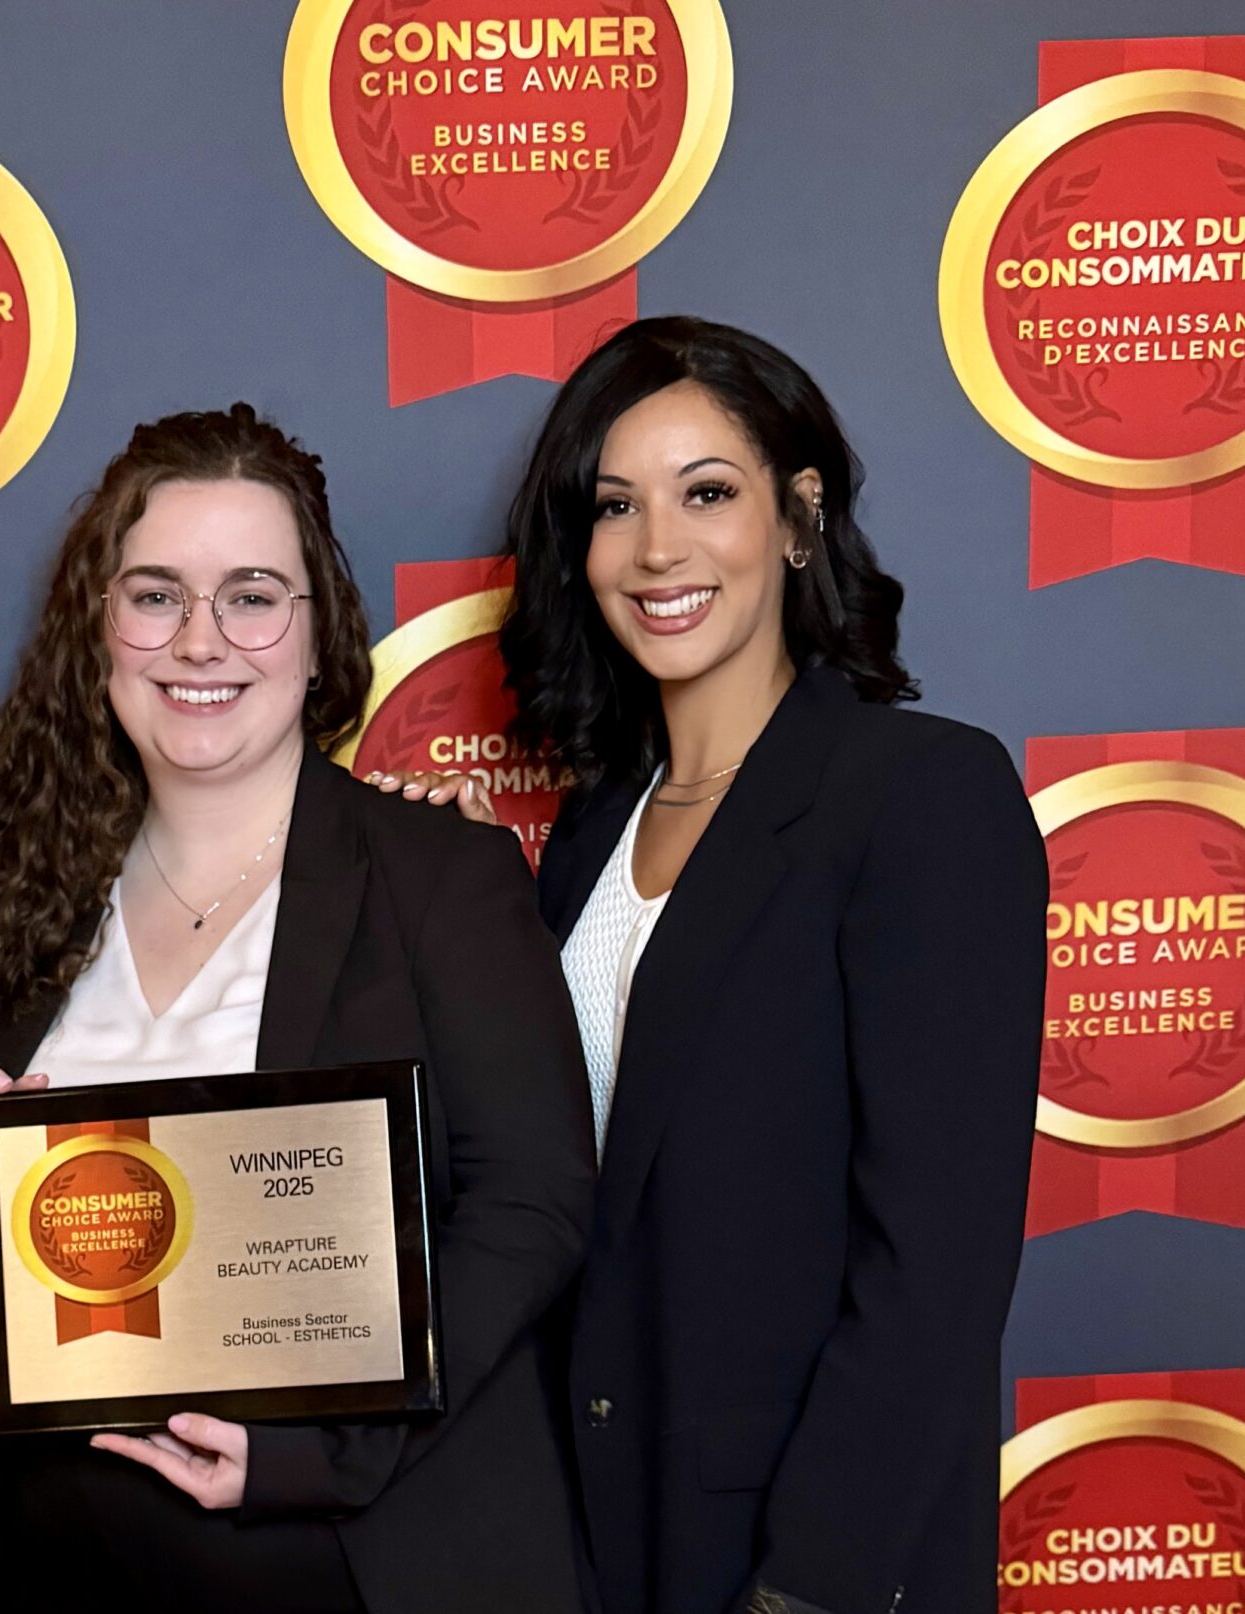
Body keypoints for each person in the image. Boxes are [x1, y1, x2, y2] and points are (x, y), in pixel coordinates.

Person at [0, 405, 596, 1614]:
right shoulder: (15, 896)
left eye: (252, 595)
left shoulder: (437, 877)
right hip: (72, 1567)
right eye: (154, 595)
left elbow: (531, 1205)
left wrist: (323, 1451)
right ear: (95, 632)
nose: (200, 641)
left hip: (357, 1558)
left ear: (318, 639)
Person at [401, 316, 1048, 1614]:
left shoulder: (920, 796)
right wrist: (456, 931)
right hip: (586, 1537)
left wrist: (809, 1584)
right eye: (614, 505)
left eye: (707, 492)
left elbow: (936, 1269)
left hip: (799, 1559)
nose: (657, 549)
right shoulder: (589, 836)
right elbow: (569, 1178)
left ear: (800, 518)